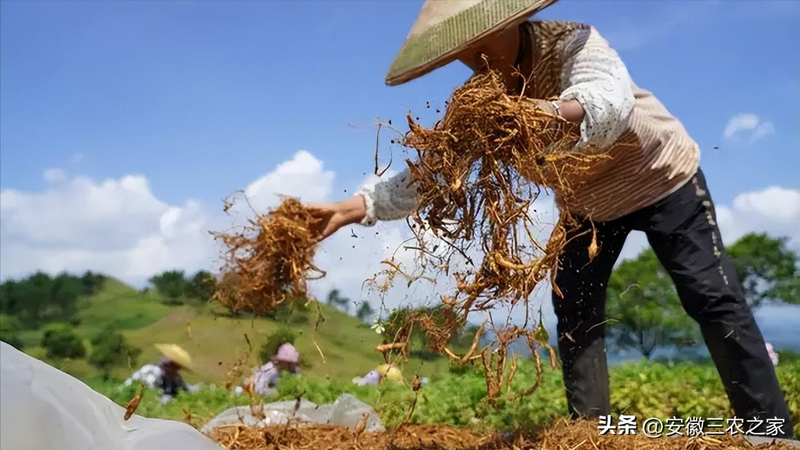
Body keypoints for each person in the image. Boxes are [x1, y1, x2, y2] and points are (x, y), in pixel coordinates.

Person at [304, 0, 793, 438]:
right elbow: (432, 171)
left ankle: (769, 432)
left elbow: (609, 97)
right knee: (576, 314)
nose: (473, 55)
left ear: (512, 20)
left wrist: (544, 113)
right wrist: (354, 208)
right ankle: (589, 433)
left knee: (713, 299)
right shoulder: (479, 101)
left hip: (660, 177)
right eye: (460, 49)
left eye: (480, 38)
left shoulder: (571, 40)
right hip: (584, 205)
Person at [125, 344, 196, 403]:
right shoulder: (152, 372)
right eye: (176, 366)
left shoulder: (174, 377)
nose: (176, 370)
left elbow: (186, 389)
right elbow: (150, 395)